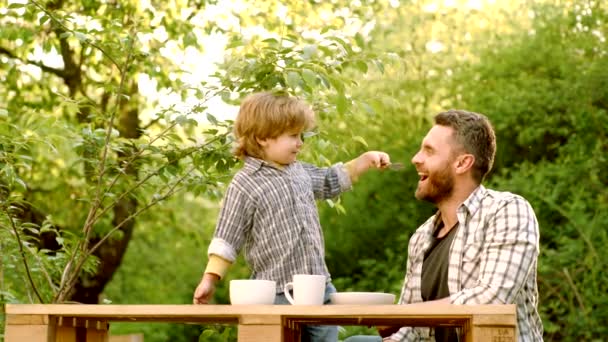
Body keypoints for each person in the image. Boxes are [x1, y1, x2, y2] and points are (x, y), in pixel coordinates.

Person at [192, 91, 391, 342]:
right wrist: (210, 279)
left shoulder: (299, 172)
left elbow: (330, 180)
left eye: (301, 135)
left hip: (318, 286)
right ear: (263, 137)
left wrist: (364, 160)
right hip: (274, 292)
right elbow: (227, 237)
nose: (300, 143)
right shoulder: (245, 184)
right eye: (293, 136)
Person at [346, 110, 543, 342]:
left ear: (462, 163)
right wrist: (392, 325)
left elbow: (490, 300)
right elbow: (412, 328)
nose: (415, 159)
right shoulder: (421, 237)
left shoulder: (507, 211)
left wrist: (400, 315)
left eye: (429, 151)